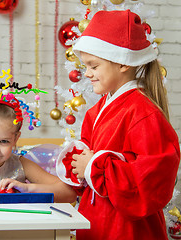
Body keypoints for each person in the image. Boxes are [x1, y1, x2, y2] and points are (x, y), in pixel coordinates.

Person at [55, 10, 180, 240]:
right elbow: (89, 164)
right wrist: (82, 165)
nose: (88, 74)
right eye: (85, 67)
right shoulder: (97, 111)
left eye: (93, 66)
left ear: (122, 63)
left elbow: (151, 185)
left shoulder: (144, 114)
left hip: (127, 232)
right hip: (97, 224)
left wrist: (93, 165)